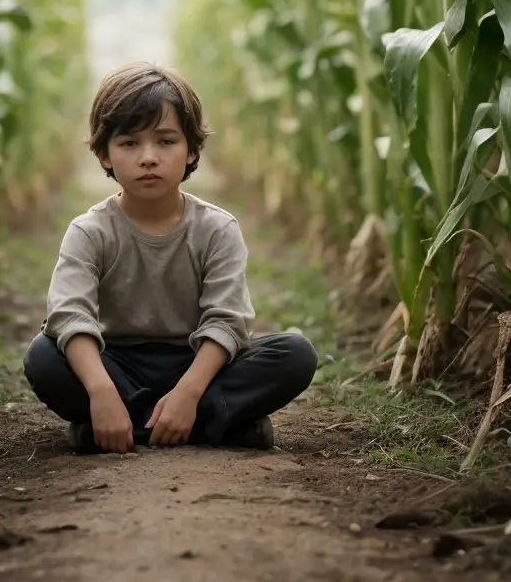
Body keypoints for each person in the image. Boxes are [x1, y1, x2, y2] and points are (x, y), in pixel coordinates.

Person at [23, 62, 317, 454]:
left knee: (295, 354)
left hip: (198, 364)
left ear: (192, 148)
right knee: (43, 356)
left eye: (166, 141)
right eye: (129, 143)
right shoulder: (89, 231)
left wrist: (188, 393)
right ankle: (218, 428)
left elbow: (227, 321)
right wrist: (100, 390)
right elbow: (69, 316)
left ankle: (125, 429)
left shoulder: (216, 229)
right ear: (103, 154)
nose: (148, 157)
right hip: (116, 364)